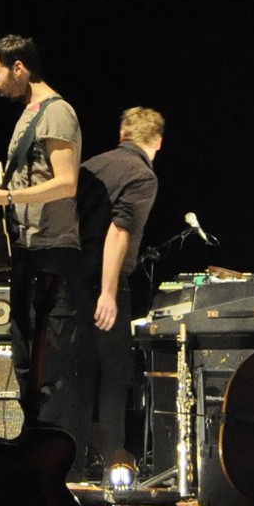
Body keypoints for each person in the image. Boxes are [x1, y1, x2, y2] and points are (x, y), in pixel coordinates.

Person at [0, 35, 88, 446]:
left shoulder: (57, 112)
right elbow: (26, 182)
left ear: (19, 68)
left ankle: (50, 455)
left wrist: (6, 197)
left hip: (52, 252)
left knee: (51, 363)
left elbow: (66, 183)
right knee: (23, 359)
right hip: (27, 250)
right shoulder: (27, 115)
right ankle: (31, 444)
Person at [75, 107, 164, 477]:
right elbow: (119, 231)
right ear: (157, 143)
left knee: (76, 375)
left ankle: (70, 470)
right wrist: (108, 292)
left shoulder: (89, 166)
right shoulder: (142, 175)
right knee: (115, 376)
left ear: (122, 134)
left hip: (68, 280)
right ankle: (115, 463)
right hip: (103, 282)